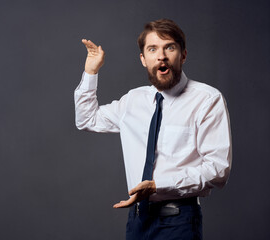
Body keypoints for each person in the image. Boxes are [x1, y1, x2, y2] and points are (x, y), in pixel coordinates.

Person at [74, 19, 231, 240]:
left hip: (179, 221)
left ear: (183, 55)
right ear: (143, 59)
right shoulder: (133, 100)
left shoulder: (207, 100)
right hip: (138, 221)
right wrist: (90, 73)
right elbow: (87, 119)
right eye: (152, 49)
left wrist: (159, 186)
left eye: (170, 47)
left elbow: (217, 170)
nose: (161, 56)